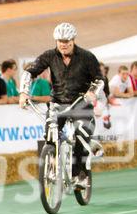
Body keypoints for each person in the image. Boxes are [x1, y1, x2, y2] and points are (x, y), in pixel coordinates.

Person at [19, 22, 104, 189]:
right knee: (50, 133)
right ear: (56, 41)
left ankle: (79, 174)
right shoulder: (49, 56)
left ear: (73, 40)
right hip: (57, 104)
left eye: (67, 41)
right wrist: (23, 92)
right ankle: (53, 163)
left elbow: (99, 79)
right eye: (60, 41)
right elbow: (29, 72)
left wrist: (92, 92)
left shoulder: (87, 57)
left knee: (81, 134)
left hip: (81, 104)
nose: (63, 44)